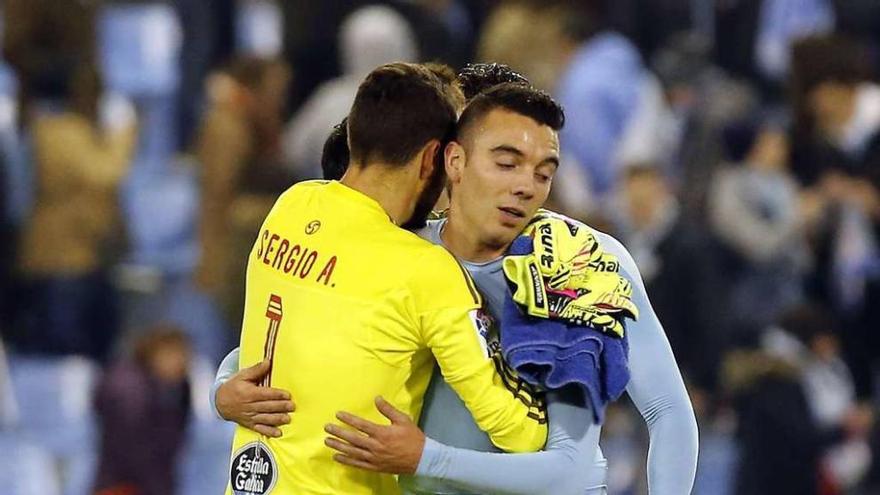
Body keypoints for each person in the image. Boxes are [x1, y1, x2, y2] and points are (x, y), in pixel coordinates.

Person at [216, 66, 697, 495]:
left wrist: (428, 457)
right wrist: (225, 389)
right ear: (451, 159)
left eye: (540, 169)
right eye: (504, 161)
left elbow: (655, 419)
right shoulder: (404, 250)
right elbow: (298, 342)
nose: (523, 184)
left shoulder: (575, 263)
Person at [225, 62, 547, 495]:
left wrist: (219, 395)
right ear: (435, 158)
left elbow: (276, 348)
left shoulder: (290, 208)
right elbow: (518, 431)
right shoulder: (424, 270)